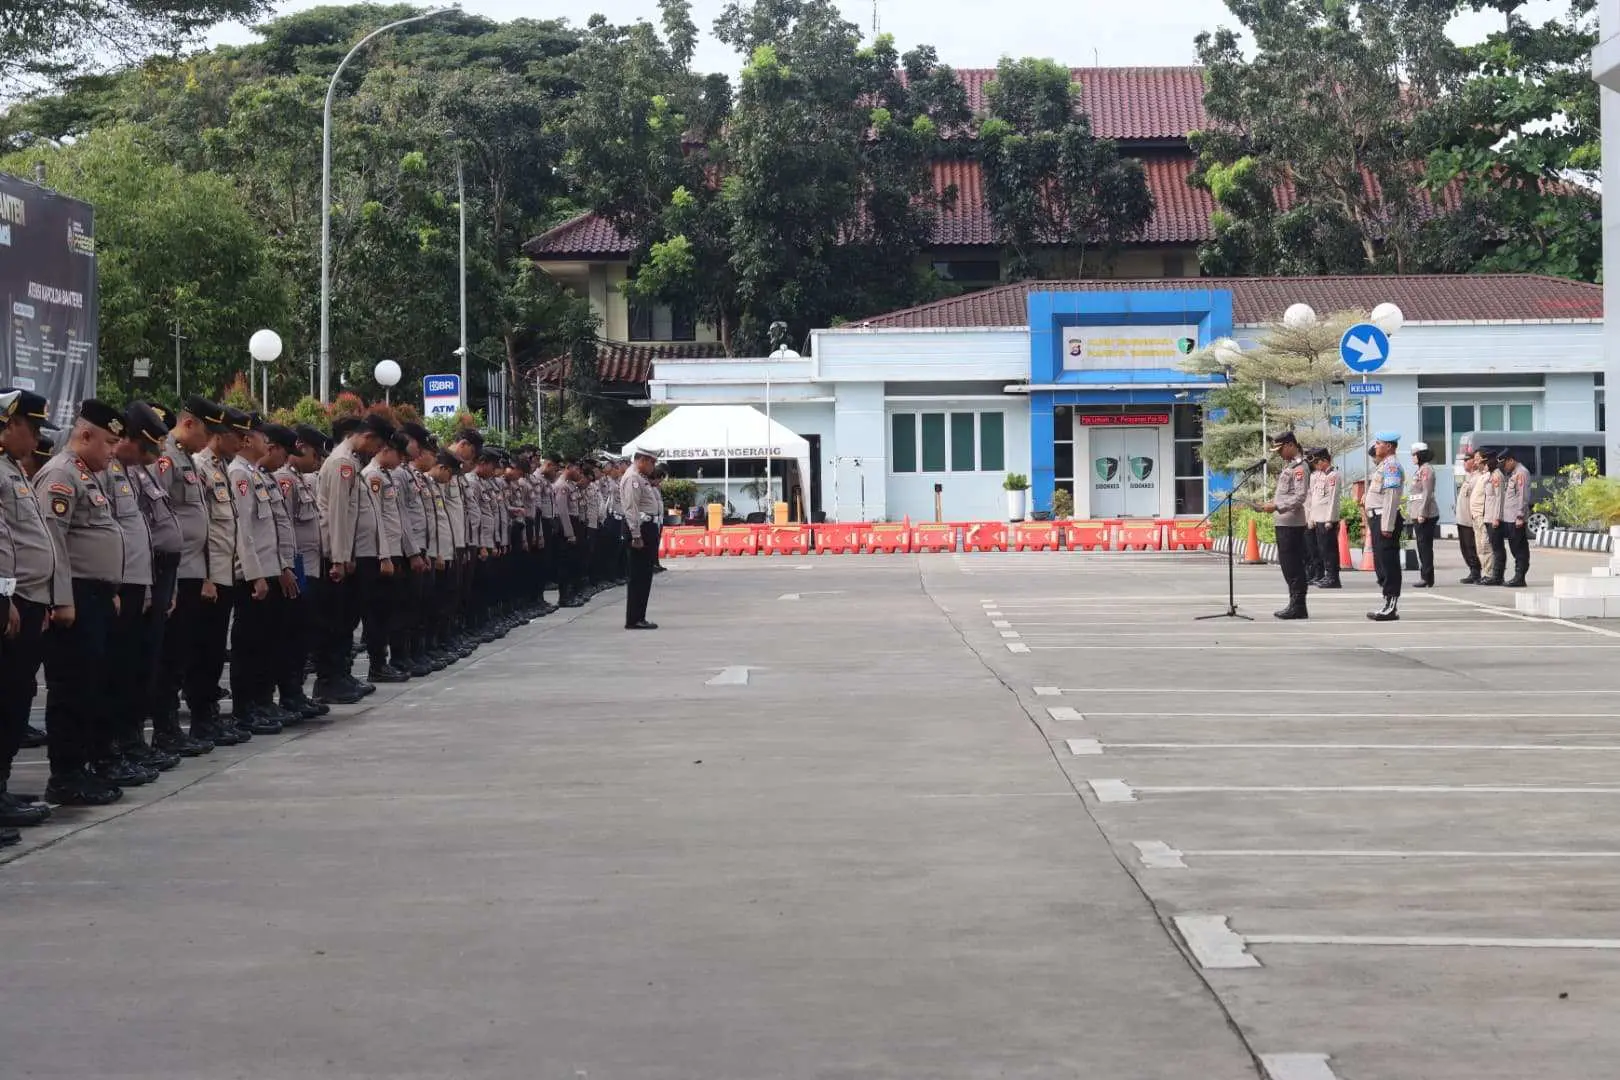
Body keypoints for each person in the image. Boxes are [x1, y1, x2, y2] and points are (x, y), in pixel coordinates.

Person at [37, 400, 130, 805]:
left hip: (93, 596)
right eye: (109, 442)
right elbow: (52, 543)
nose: (113, 451)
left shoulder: (86, 475)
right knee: (72, 688)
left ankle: (83, 768)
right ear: (86, 434)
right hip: (73, 597)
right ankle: (66, 775)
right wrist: (62, 600)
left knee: (93, 685)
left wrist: (109, 592)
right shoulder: (60, 474)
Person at [100, 401, 178, 779]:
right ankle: (113, 747)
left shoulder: (132, 472)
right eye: (144, 449)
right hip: (119, 585)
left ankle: (129, 742)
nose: (149, 458)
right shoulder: (108, 470)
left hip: (142, 581)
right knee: (118, 672)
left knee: (137, 670)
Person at [153, 396, 224, 755]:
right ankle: (165, 730)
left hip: (194, 569)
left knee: (183, 653)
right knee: (170, 657)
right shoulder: (167, 456)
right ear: (191, 423)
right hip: (175, 572)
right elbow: (158, 512)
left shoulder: (186, 459)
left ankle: (173, 731)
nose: (209, 441)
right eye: (208, 432)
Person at [0, 390, 57, 829]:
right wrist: (5, 597)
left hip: (30, 599)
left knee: (19, 699)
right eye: (32, 428)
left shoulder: (14, 470)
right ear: (9, 422)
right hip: (12, 602)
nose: (36, 438)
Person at [189, 406, 248, 746]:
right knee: (203, 651)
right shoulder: (200, 467)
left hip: (226, 573)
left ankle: (210, 716)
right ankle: (200, 719)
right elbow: (203, 529)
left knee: (213, 653)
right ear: (218, 435)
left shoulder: (223, 468)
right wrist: (208, 577)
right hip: (210, 577)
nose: (241, 442)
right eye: (235, 436)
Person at [274, 424, 329, 719]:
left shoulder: (301, 479)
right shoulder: (285, 479)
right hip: (297, 568)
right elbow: (284, 528)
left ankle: (296, 692)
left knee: (304, 635)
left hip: (309, 566)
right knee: (293, 636)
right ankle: (289, 693)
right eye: (314, 454)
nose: (318, 460)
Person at [360, 429, 408, 683]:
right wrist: (384, 556)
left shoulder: (385, 475)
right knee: (377, 613)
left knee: (389, 610)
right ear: (386, 450)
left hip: (392, 552)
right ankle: (377, 665)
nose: (401, 461)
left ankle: (383, 662)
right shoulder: (373, 476)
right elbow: (375, 519)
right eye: (399, 454)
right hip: (382, 555)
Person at [1261, 431, 1309, 620]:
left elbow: (1300, 497)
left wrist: (1277, 506)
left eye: (1280, 449)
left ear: (1290, 445)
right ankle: (1294, 603)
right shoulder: (1289, 466)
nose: (1279, 453)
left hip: (1292, 524)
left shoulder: (1299, 467)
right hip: (1284, 522)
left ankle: (1298, 606)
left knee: (1294, 565)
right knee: (1287, 566)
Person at [1363, 431, 1405, 622]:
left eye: (1379, 443)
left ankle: (1391, 606)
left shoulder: (1392, 467)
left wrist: (1387, 525)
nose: (1376, 446)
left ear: (1388, 446)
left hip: (1384, 519)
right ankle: (1387, 602)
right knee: (1381, 563)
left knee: (1388, 564)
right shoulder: (1383, 466)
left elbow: (1391, 497)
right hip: (1376, 518)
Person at [621, 448, 662, 630]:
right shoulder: (633, 478)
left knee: (645, 575)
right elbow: (631, 508)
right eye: (652, 462)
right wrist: (636, 535)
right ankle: (634, 618)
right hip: (640, 529)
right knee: (638, 576)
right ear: (643, 460)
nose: (653, 467)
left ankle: (639, 616)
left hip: (647, 528)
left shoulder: (641, 478)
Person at [1304, 448, 1341, 589]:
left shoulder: (1333, 475)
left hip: (1327, 519)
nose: (1316, 465)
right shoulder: (1319, 476)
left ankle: (1333, 577)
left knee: (1329, 549)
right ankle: (1327, 575)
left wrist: (1329, 519)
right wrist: (1312, 517)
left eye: (1318, 462)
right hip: (1318, 517)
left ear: (1325, 460)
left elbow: (1332, 499)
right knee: (1322, 549)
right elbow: (1314, 499)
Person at [1499, 447, 1532, 587]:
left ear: (1511, 460)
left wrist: (1520, 515)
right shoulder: (1513, 473)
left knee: (1519, 548)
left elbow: (1523, 496)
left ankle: (1520, 577)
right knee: (1514, 546)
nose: (1504, 467)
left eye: (1505, 463)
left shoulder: (1521, 473)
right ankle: (1518, 575)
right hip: (1510, 517)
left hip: (1516, 518)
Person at [1406, 441, 1439, 588]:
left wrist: (1422, 513)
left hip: (1425, 514)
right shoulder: (1420, 470)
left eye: (1414, 454)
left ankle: (1427, 577)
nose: (1412, 457)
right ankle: (1425, 576)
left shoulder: (1426, 470)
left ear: (1420, 455)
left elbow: (1426, 492)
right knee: (1421, 546)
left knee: (1425, 547)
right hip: (1417, 511)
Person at [1477, 449, 1506, 586]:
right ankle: (1494, 575)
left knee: (1497, 548)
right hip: (1488, 517)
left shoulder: (1497, 476)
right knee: (1494, 547)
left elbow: (1500, 498)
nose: (1485, 464)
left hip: (1494, 518)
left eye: (1486, 462)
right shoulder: (1490, 475)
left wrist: (1497, 517)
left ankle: (1498, 576)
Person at [1455, 453, 1483, 584]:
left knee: (1471, 546)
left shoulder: (1478, 478)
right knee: (1464, 547)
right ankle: (1472, 570)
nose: (1464, 463)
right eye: (1464, 460)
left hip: (1469, 519)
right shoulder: (1468, 477)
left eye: (1467, 460)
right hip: (1462, 518)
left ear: (1474, 462)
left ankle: (1476, 571)